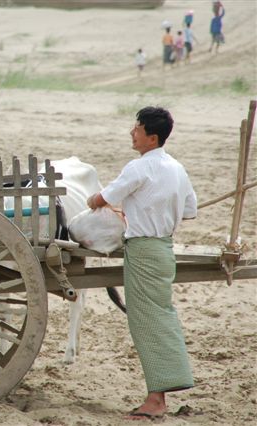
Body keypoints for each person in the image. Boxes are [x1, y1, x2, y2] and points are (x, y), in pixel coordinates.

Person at [87, 107, 197, 420]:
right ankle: (166, 385)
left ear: (151, 137)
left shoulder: (139, 168)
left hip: (144, 251)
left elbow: (100, 200)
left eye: (137, 128)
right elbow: (190, 210)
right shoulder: (176, 167)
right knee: (161, 315)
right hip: (164, 248)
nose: (131, 133)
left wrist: (91, 201)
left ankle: (156, 399)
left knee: (147, 320)